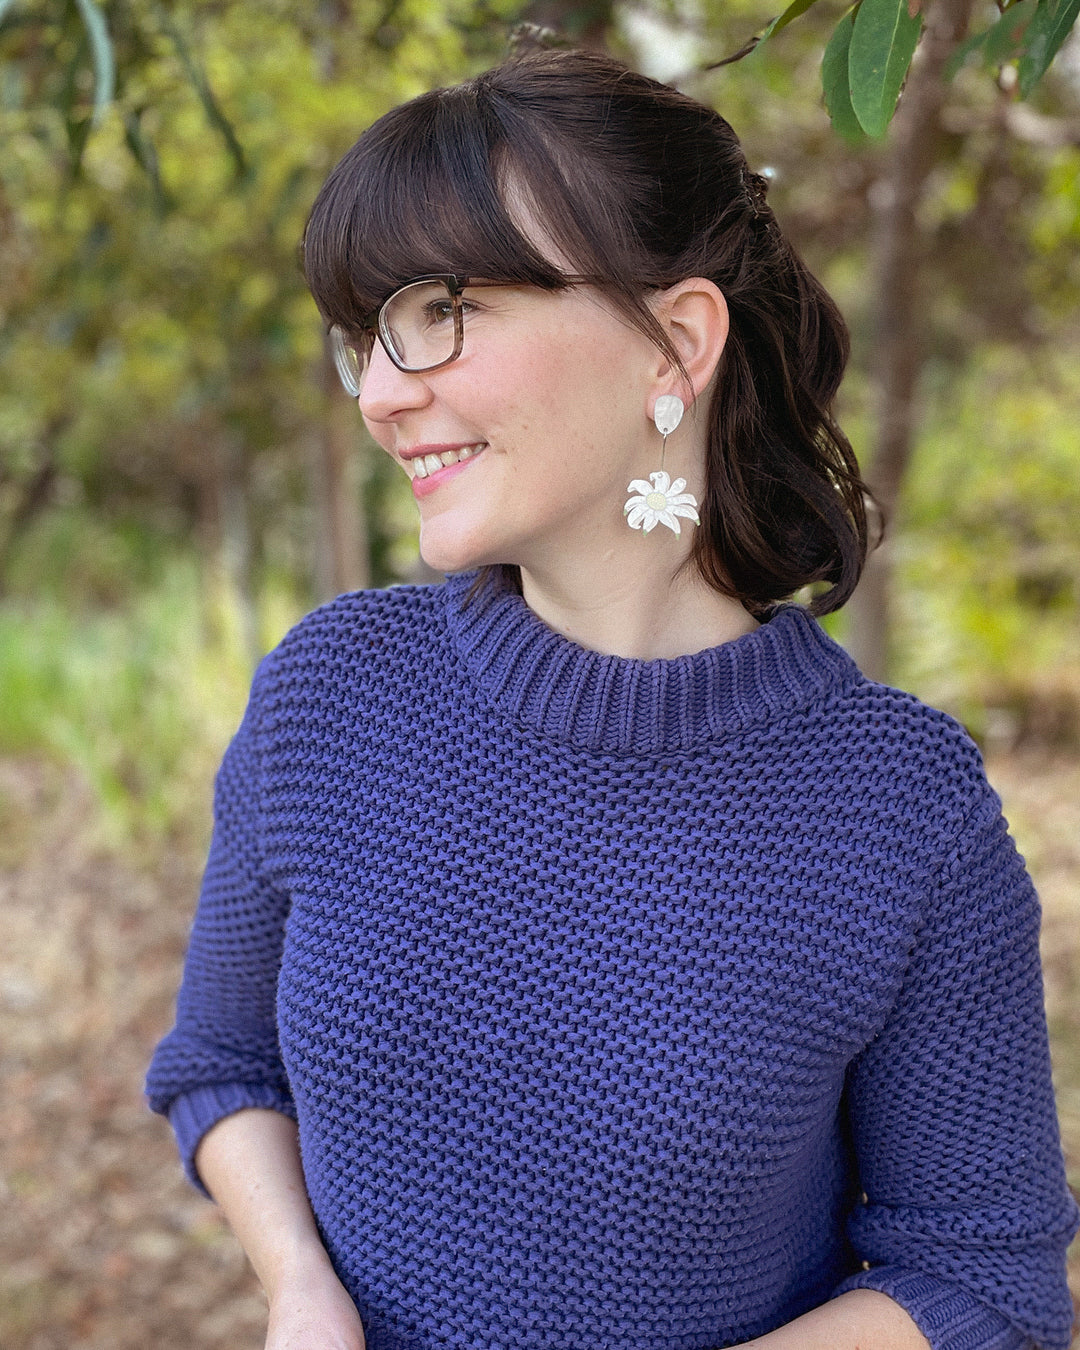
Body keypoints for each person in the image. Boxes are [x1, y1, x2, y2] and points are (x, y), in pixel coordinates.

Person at [145, 46, 1078, 1350]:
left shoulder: (900, 809)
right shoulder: (330, 693)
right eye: (367, 332)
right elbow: (220, 1066)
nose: (378, 391)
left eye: (441, 308)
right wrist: (298, 1282)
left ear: (678, 338)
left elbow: (990, 1281)